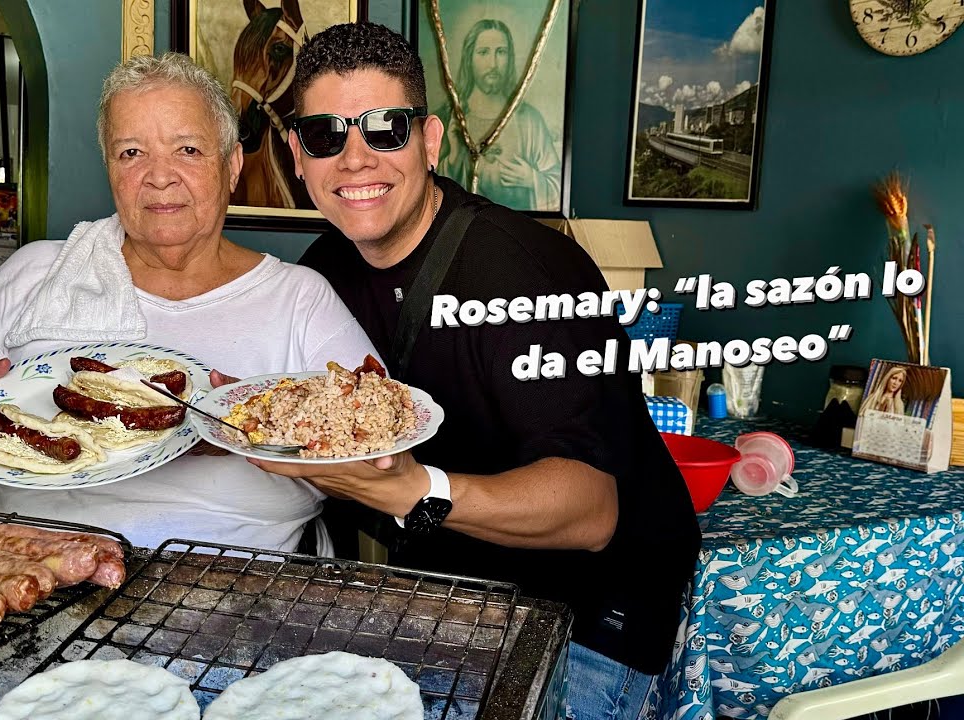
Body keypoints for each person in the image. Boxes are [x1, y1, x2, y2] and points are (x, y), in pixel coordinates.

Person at [231, 22, 700, 719]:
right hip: (447, 595)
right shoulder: (324, 272)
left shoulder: (524, 272)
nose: (355, 160)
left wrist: (417, 492)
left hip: (589, 618)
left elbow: (591, 511)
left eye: (385, 129)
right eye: (327, 135)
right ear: (298, 154)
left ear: (428, 140)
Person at [0, 52, 379, 555]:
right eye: (131, 153)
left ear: (231, 165)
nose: (159, 176)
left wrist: (256, 426)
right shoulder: (39, 270)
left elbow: (378, 453)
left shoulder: (299, 296)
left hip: (240, 585)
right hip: (26, 570)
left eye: (188, 149)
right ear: (109, 169)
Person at [435, 18, 561, 211]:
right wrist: (452, 159)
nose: (493, 63)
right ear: (469, 58)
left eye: (501, 52)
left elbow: (556, 185)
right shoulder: (448, 119)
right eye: (483, 52)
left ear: (510, 58)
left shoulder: (529, 120)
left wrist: (532, 179)